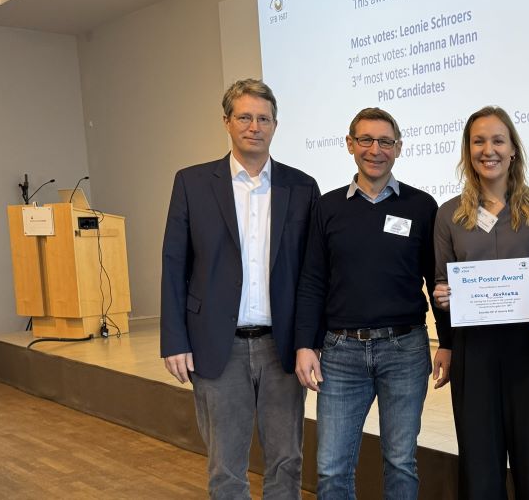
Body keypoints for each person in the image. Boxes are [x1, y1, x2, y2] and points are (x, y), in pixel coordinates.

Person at [160, 78, 320, 498]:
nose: (254, 126)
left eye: (264, 119)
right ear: (227, 122)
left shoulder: (302, 187)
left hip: (281, 347)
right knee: (226, 467)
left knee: (286, 461)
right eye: (245, 117)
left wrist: (310, 341)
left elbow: (312, 274)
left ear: (275, 126)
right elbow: (174, 264)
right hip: (217, 345)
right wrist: (174, 340)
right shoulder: (192, 183)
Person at [293, 107, 452, 499]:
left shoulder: (421, 206)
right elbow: (312, 281)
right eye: (365, 140)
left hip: (405, 349)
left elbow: (437, 280)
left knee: (400, 462)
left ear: (398, 148)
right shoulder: (327, 207)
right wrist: (305, 344)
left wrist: (448, 342)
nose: (375, 150)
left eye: (385, 141)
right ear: (350, 144)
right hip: (340, 353)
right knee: (331, 469)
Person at [431, 106, 529, 500]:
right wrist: (443, 296)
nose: (488, 150)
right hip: (474, 354)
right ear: (468, 150)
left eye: (497, 140)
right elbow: (441, 281)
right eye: (478, 141)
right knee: (479, 468)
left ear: (513, 149)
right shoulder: (449, 214)